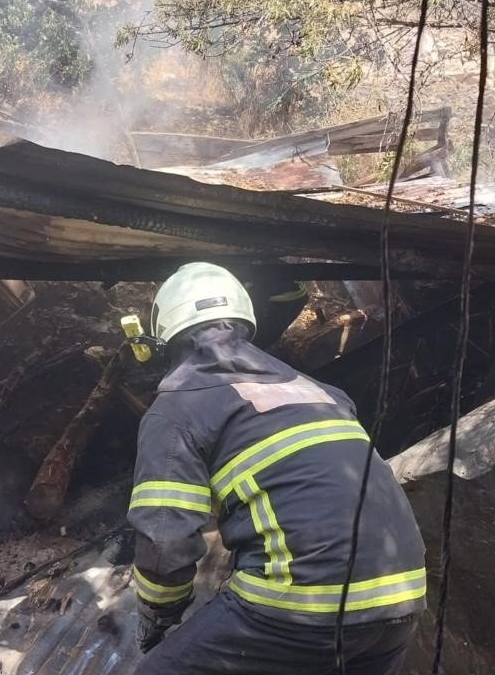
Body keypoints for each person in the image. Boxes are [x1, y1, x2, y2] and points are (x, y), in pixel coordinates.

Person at [128, 263, 426, 675]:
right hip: (404, 594)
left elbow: (165, 545)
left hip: (307, 602)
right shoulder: (322, 392)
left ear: (166, 335)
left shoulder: (177, 409)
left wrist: (156, 617)